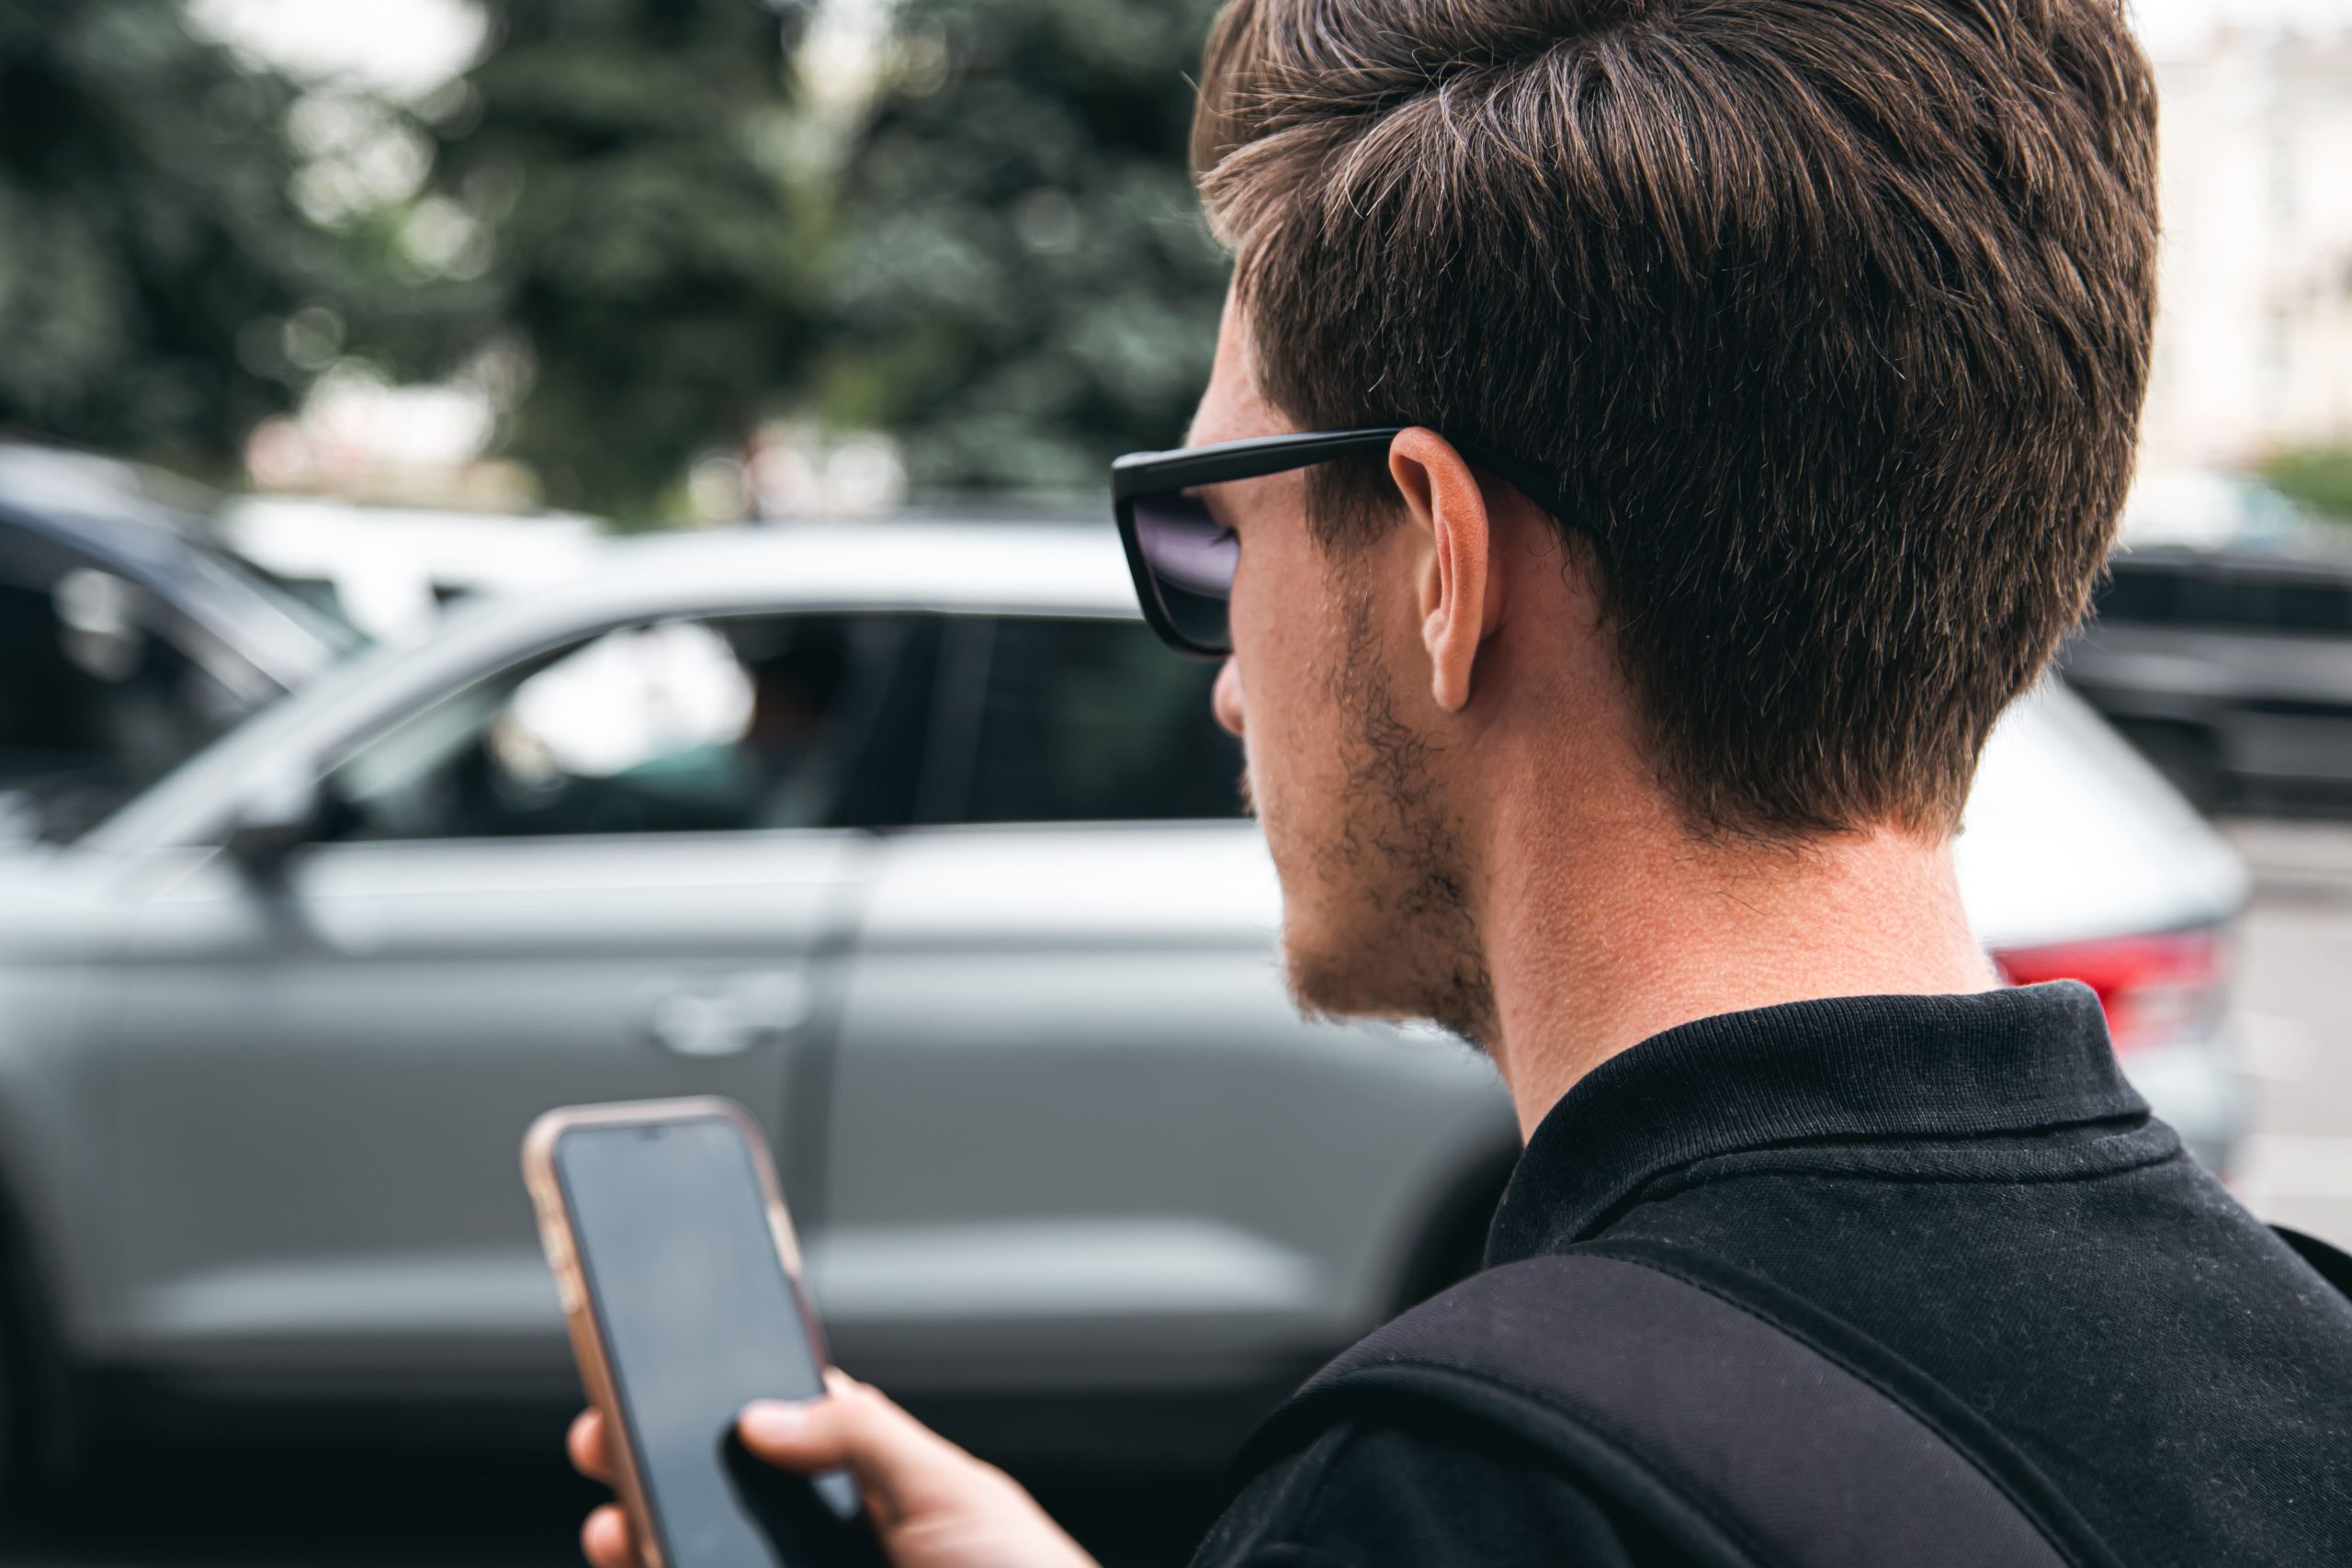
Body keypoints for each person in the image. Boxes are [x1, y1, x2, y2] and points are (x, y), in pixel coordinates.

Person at [569, 0, 2352, 1562]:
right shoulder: (2301, 1361)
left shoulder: (1463, 1497)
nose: (1224, 686)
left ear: (1436, 557)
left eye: (1219, 524)